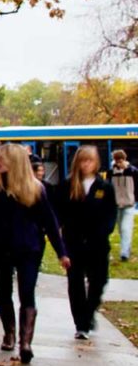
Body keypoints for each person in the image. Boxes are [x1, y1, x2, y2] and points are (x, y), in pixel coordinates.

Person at [0, 144, 69, 364]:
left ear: (15, 162)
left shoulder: (35, 189)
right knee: (3, 291)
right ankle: (9, 333)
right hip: (0, 248)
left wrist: (61, 252)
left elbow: (50, 223)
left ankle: (26, 342)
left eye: (4, 159)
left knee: (27, 292)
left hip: (28, 248)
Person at [57, 146, 118, 340]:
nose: (86, 164)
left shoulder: (104, 187)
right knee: (75, 283)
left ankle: (89, 313)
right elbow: (61, 212)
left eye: (90, 161)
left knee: (98, 280)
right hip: (74, 242)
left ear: (96, 163)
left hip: (97, 243)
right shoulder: (68, 185)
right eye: (83, 161)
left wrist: (103, 232)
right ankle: (81, 324)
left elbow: (111, 214)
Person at [111, 150, 138, 262]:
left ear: (124, 159)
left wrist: (135, 199)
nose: (119, 163)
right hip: (117, 203)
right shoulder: (112, 172)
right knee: (121, 230)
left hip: (129, 204)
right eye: (117, 161)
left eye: (120, 160)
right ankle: (127, 247)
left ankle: (124, 253)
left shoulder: (132, 171)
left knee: (125, 228)